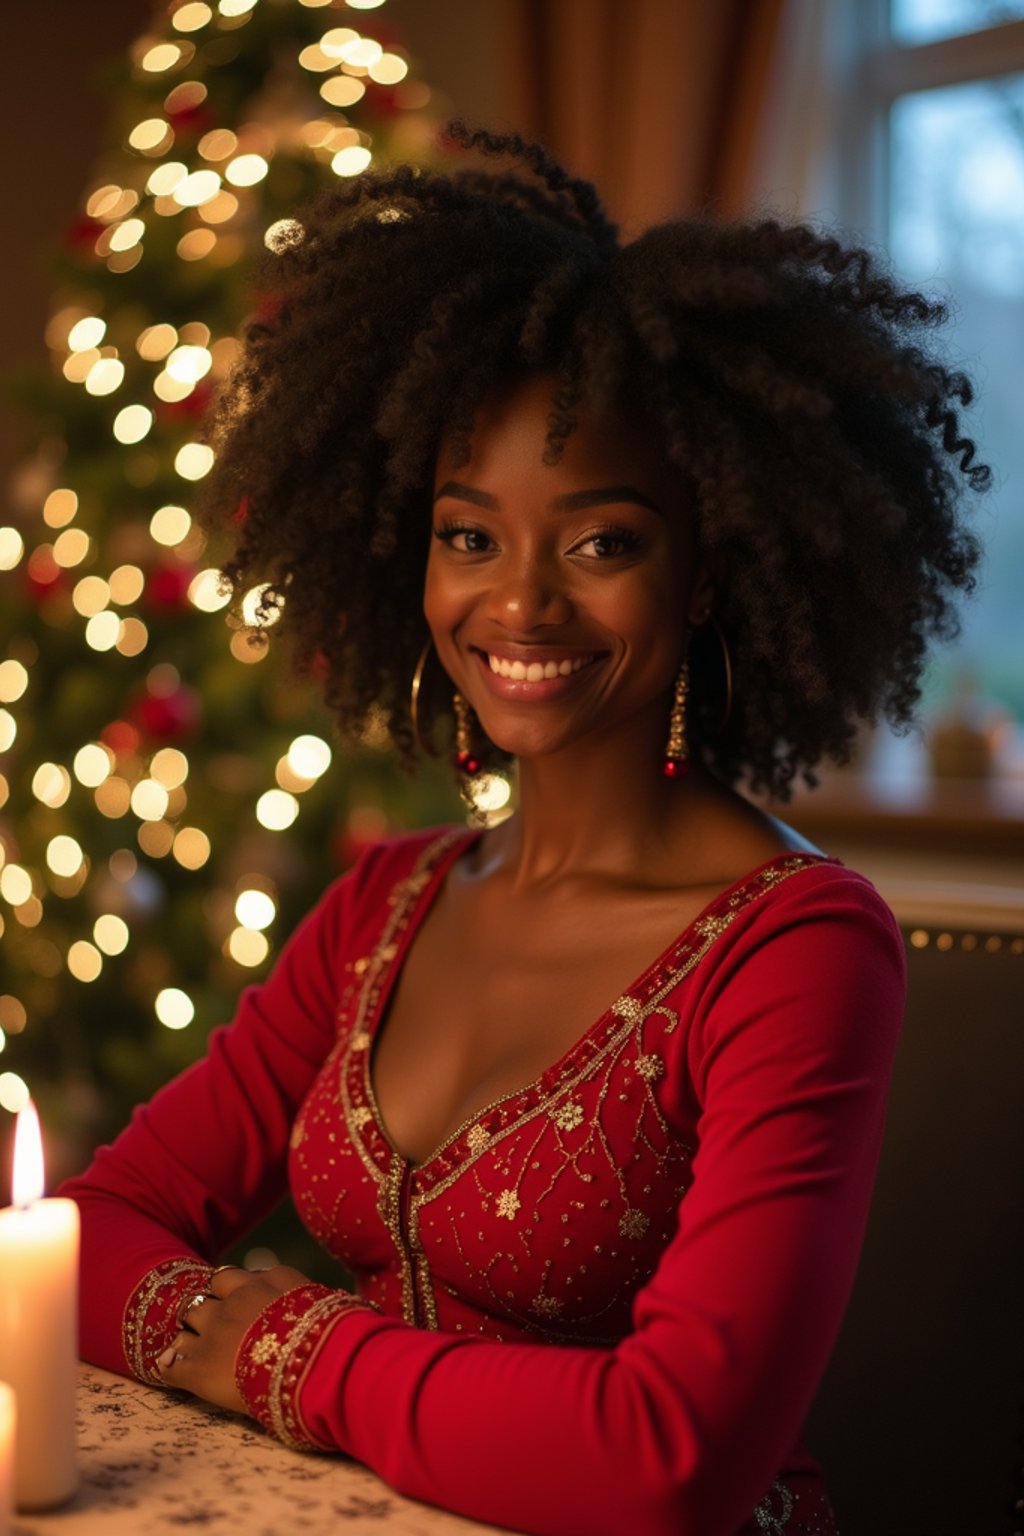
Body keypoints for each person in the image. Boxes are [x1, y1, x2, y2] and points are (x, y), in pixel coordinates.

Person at [62, 125, 987, 1536]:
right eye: (468, 534)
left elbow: (673, 1455)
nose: (520, 605)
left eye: (602, 540)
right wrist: (268, 1349)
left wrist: (280, 1349)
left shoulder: (797, 947)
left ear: (713, 561)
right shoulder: (386, 901)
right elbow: (79, 1238)